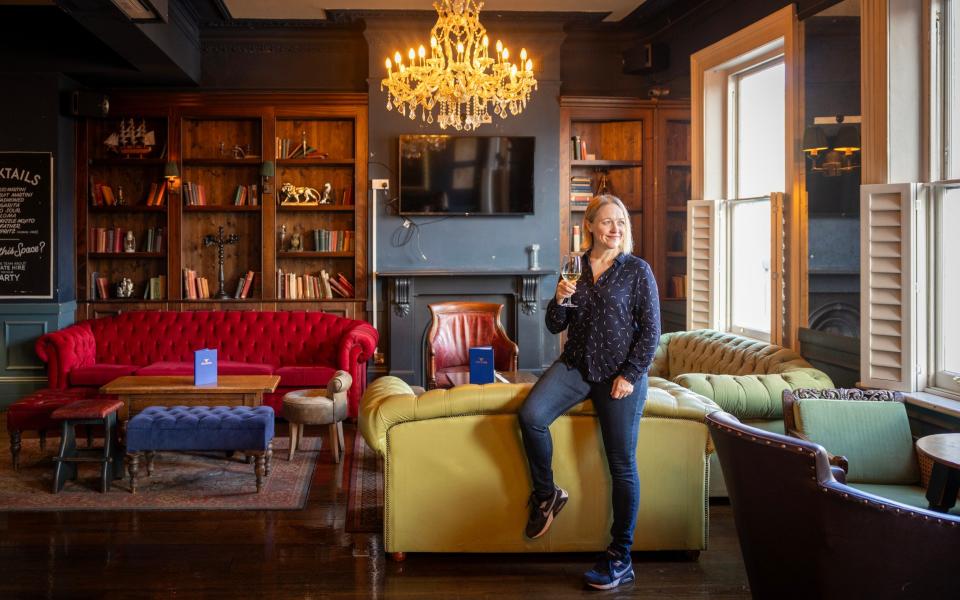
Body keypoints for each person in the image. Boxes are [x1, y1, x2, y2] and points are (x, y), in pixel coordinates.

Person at [517, 194, 661, 591]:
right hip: (576, 366)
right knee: (530, 417)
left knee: (621, 463)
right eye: (608, 222)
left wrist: (631, 374)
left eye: (621, 223)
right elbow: (553, 324)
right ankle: (546, 495)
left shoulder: (637, 271)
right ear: (591, 226)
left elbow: (651, 333)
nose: (616, 229)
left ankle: (620, 556)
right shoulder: (575, 267)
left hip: (620, 375)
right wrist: (560, 299)